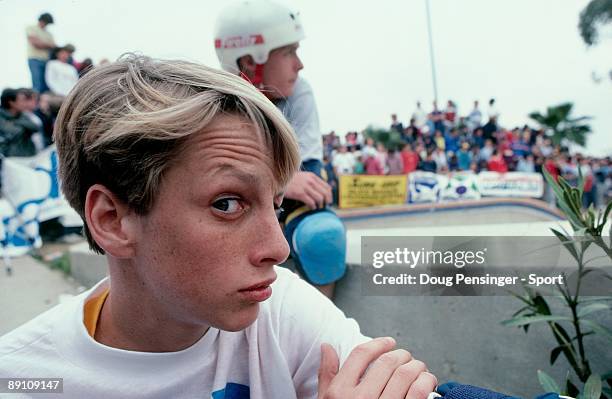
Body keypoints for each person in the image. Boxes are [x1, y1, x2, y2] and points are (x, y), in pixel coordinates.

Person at [0, 55, 437, 398]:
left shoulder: (279, 310)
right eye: (228, 204)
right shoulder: (21, 380)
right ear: (112, 220)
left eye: (276, 205)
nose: (278, 249)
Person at [214, 0, 346, 298]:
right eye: (288, 52)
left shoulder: (299, 91)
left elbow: (309, 179)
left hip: (281, 207)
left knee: (322, 239)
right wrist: (281, 180)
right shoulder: (213, 102)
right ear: (250, 61)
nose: (299, 64)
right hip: (235, 208)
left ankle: (317, 335)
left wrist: (279, 183)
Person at [0, 88, 38, 157]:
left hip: (30, 156)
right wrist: (25, 128)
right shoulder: (1, 117)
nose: (24, 103)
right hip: (11, 160)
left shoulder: (21, 114)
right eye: (21, 100)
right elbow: (15, 132)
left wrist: (14, 121)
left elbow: (35, 127)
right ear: (11, 103)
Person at [25, 12, 56, 94]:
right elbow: (35, 43)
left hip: (46, 61)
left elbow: (54, 46)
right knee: (37, 84)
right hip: (34, 59)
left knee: (46, 85)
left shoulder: (49, 34)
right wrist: (48, 45)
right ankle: (36, 104)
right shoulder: (31, 28)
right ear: (41, 20)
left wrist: (42, 43)